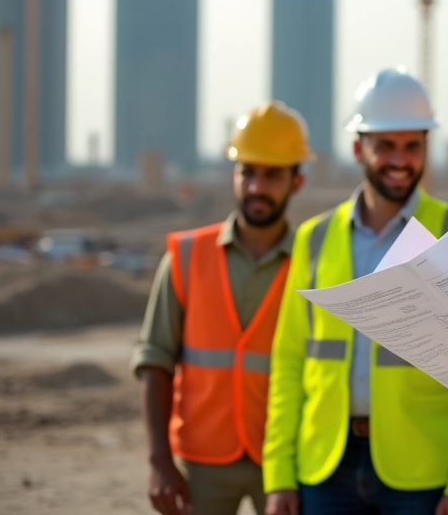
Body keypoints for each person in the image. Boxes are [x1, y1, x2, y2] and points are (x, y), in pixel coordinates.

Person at [263, 67, 448, 515]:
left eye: (412, 146)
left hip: (422, 469)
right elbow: (289, 363)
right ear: (357, 148)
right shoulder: (314, 238)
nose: (400, 159)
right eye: (385, 145)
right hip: (324, 467)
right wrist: (278, 476)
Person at [132, 101, 314, 515]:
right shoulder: (186, 257)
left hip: (287, 461)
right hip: (203, 462)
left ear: (296, 181)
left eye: (272, 174)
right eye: (247, 171)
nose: (256, 187)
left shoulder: (314, 262)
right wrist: (160, 461)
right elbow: (154, 359)